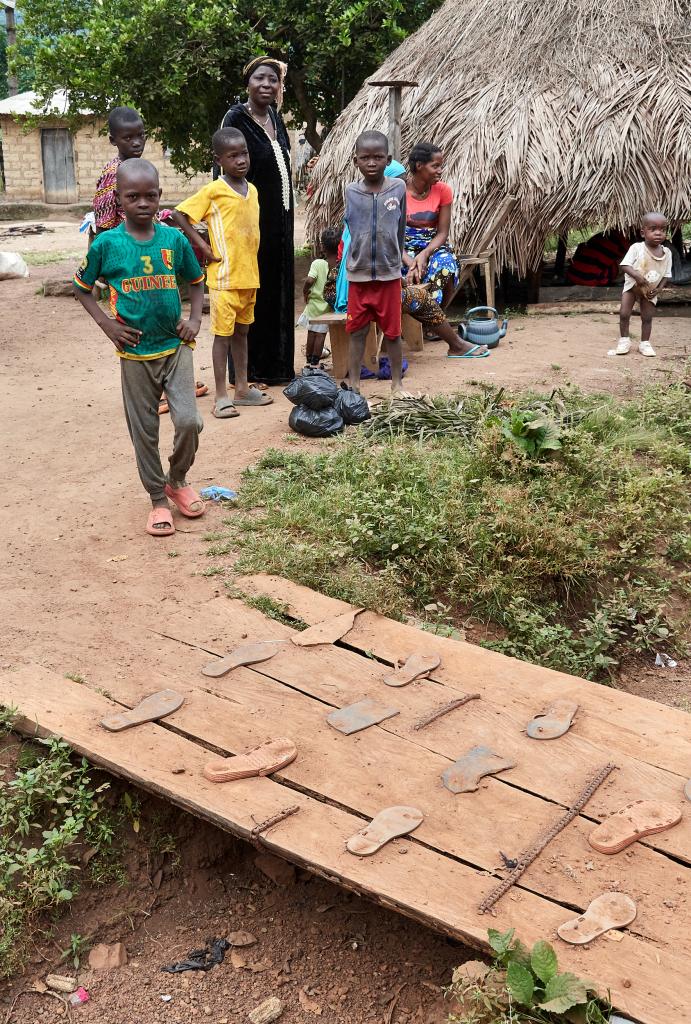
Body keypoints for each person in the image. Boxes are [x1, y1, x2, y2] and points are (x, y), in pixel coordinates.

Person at [73, 159, 206, 537]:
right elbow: (82, 289)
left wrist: (194, 320)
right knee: (144, 429)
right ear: (119, 200)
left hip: (175, 346)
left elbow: (196, 282)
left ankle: (176, 479)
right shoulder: (107, 244)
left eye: (150, 196)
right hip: (134, 355)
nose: (143, 203)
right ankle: (157, 500)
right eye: (133, 197)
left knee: (189, 421)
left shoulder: (173, 239)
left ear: (160, 196)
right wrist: (108, 325)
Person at [170, 127, 271, 419]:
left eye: (244, 153)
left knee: (243, 333)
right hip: (225, 278)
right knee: (223, 337)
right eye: (233, 155)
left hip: (249, 276)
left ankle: (242, 388)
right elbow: (178, 214)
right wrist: (202, 244)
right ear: (219, 160)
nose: (241, 160)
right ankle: (221, 397)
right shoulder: (214, 191)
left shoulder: (252, 190)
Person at [218, 56, 295, 385]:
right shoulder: (235, 117)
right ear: (248, 82)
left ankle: (278, 367)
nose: (267, 85)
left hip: (282, 222)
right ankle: (248, 372)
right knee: (254, 295)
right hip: (250, 222)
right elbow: (226, 166)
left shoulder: (275, 117)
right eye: (260, 79)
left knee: (278, 291)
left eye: (273, 80)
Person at [345, 130, 407, 395]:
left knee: (393, 333)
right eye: (365, 157)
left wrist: (397, 260)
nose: (372, 163)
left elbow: (401, 228)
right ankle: (354, 386)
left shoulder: (398, 188)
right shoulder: (350, 192)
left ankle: (397, 384)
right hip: (358, 276)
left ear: (388, 159)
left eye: (378, 157)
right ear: (356, 160)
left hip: (389, 276)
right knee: (357, 332)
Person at [403, 142, 459, 308]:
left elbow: (442, 232)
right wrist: (411, 262)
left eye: (440, 166)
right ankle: (406, 324)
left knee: (446, 263)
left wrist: (425, 254)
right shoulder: (398, 191)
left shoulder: (443, 191)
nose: (440, 171)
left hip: (432, 246)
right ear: (419, 166)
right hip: (402, 249)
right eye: (435, 166)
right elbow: (391, 236)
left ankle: (435, 320)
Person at [613, 213, 672, 358]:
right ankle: (624, 341)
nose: (658, 233)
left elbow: (666, 274)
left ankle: (644, 343)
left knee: (647, 318)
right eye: (653, 229)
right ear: (643, 232)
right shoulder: (636, 248)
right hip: (632, 287)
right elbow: (625, 265)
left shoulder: (667, 252)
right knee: (624, 314)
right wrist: (637, 276)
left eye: (663, 229)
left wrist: (659, 289)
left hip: (650, 291)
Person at [93, 107, 148, 233]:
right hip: (124, 244)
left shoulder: (142, 168)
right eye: (128, 138)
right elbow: (103, 221)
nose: (136, 143)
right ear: (113, 140)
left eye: (140, 135)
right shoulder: (114, 173)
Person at [302, 227, 340, 367]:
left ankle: (308, 360)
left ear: (323, 247)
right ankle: (315, 361)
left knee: (311, 332)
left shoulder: (317, 264)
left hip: (313, 306)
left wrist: (305, 292)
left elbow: (310, 280)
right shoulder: (338, 266)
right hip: (326, 308)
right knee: (321, 335)